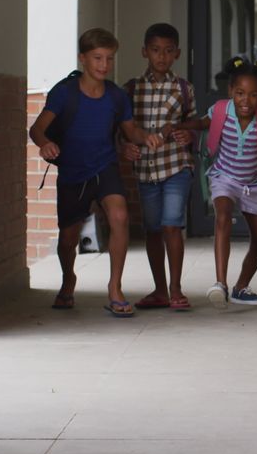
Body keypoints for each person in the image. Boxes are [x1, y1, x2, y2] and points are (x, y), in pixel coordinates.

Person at [29, 27, 162, 318]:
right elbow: (37, 128)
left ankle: (115, 288)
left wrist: (145, 137)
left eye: (109, 59)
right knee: (68, 239)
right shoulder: (64, 92)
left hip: (105, 165)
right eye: (97, 58)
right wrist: (46, 143)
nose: (104, 65)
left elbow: (131, 130)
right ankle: (68, 280)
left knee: (119, 216)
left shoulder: (116, 96)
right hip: (74, 171)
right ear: (83, 59)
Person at [175, 57, 257, 309]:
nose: (245, 100)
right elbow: (201, 124)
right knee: (222, 216)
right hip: (223, 177)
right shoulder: (220, 111)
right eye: (239, 93)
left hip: (254, 183)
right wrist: (178, 126)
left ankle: (240, 288)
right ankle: (220, 284)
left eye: (253, 94)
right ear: (230, 92)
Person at [120, 23, 197, 311]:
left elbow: (196, 121)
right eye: (155, 51)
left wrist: (189, 134)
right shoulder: (131, 89)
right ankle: (160, 290)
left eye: (167, 51)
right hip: (146, 170)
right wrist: (124, 145)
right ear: (144, 52)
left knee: (171, 226)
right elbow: (121, 127)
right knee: (153, 229)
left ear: (176, 53)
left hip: (177, 165)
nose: (161, 57)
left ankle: (176, 289)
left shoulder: (184, 88)